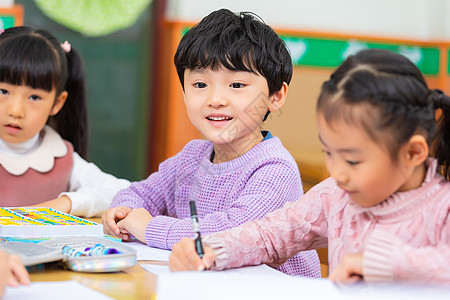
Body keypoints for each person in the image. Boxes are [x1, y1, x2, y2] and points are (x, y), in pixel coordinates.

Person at [168, 48, 450, 285]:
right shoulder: (335, 196)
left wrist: (391, 264)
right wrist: (215, 249)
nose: (337, 173)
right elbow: (272, 234)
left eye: (352, 160)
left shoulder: (442, 206)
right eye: (329, 152)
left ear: (413, 153)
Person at [102, 9, 321, 277]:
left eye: (237, 85)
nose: (215, 99)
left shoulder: (275, 169)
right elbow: (141, 193)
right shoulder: (192, 156)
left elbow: (230, 233)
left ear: (276, 96)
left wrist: (149, 227)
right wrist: (122, 213)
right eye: (200, 84)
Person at [0, 26, 130, 217]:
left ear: (57, 103)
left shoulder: (61, 156)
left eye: (34, 97)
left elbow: (124, 192)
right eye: (3, 91)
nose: (15, 111)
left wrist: (67, 203)